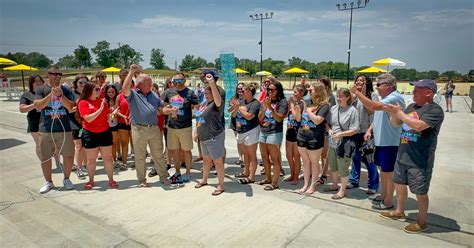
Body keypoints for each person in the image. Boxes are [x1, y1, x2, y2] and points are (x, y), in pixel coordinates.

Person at [380, 79, 444, 234]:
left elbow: (419, 126)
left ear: (428, 92)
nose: (413, 92)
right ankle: (399, 211)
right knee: (400, 186)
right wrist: (395, 114)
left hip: (419, 159)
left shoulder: (434, 111)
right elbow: (396, 124)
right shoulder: (411, 107)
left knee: (420, 192)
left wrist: (400, 113)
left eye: (417, 90)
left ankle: (421, 222)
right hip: (403, 155)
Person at [351, 73, 406, 210]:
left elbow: (373, 107)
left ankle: (388, 201)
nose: (376, 88)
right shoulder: (386, 98)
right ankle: (383, 194)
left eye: (378, 85)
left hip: (390, 142)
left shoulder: (394, 98)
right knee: (383, 171)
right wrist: (370, 129)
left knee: (388, 172)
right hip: (381, 142)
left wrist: (358, 93)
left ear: (388, 86)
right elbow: (377, 116)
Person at [122, 64, 170, 187]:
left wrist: (170, 110)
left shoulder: (153, 94)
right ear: (139, 85)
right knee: (140, 156)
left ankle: (163, 176)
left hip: (153, 128)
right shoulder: (132, 94)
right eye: (148, 83)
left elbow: (160, 110)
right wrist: (131, 72)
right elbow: (124, 89)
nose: (151, 85)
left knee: (158, 154)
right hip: (138, 129)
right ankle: (141, 180)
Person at [33, 66, 76, 193]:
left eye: (59, 74)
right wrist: (51, 94)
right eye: (54, 74)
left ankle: (67, 179)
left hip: (64, 128)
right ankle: (48, 181)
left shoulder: (66, 90)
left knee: (68, 154)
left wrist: (61, 96)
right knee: (45, 156)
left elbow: (70, 107)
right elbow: (38, 105)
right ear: (48, 75)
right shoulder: (41, 89)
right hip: (46, 129)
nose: (57, 76)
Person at [77, 82, 118, 190]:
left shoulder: (103, 102)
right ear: (89, 90)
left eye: (99, 89)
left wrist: (112, 115)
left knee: (108, 157)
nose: (99, 91)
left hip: (104, 131)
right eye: (96, 89)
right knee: (91, 159)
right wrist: (100, 109)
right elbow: (88, 118)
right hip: (90, 133)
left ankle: (111, 179)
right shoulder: (83, 102)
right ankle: (91, 180)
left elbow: (107, 117)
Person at [162, 73, 199, 186]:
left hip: (185, 126)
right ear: (173, 81)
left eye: (180, 80)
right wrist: (169, 109)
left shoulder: (190, 93)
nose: (178, 82)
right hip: (172, 126)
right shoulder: (168, 92)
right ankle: (177, 172)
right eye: (176, 80)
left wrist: (199, 125)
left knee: (186, 150)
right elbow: (162, 108)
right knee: (174, 150)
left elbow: (198, 108)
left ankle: (188, 172)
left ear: (184, 80)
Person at [194, 73, 226, 196]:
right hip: (204, 137)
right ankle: (204, 179)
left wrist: (212, 83)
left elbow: (218, 99)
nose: (206, 95)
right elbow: (199, 118)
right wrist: (196, 131)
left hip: (214, 137)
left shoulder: (216, 104)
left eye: (208, 94)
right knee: (206, 160)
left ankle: (221, 185)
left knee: (217, 162)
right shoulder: (204, 104)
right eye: (205, 94)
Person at [324, 88, 359, 200]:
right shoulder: (333, 108)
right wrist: (329, 130)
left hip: (345, 144)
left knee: (343, 168)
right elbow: (327, 123)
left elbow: (355, 129)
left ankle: (342, 190)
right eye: (337, 96)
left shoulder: (352, 111)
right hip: (333, 142)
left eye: (341, 96)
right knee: (333, 166)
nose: (338, 98)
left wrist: (341, 134)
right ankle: (335, 185)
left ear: (348, 97)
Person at [347, 75, 379, 195]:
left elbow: (372, 111)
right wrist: (354, 96)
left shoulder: (373, 95)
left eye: (362, 80)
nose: (359, 82)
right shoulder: (353, 96)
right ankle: (354, 180)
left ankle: (373, 185)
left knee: (369, 160)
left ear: (367, 83)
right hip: (355, 131)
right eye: (357, 80)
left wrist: (363, 95)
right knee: (355, 158)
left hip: (367, 131)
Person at [295, 82, 330, 194]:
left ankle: (313, 185)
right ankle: (305, 184)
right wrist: (296, 110)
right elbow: (298, 119)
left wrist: (308, 111)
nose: (309, 92)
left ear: (318, 92)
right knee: (305, 161)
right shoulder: (307, 102)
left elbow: (317, 120)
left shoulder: (324, 105)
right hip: (301, 135)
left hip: (314, 138)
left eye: (311, 90)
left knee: (314, 162)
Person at [257, 79, 288, 191]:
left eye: (271, 90)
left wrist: (270, 107)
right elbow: (260, 118)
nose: (269, 91)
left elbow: (279, 118)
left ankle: (275, 183)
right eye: (268, 89)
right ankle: (268, 178)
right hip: (264, 131)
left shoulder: (283, 102)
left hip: (274, 132)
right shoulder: (266, 100)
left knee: (275, 159)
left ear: (278, 91)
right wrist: (264, 108)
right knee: (264, 157)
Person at [232, 83, 261, 185]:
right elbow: (232, 114)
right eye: (240, 90)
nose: (241, 92)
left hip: (251, 130)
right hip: (241, 130)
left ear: (249, 92)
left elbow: (249, 116)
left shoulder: (255, 104)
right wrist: (235, 108)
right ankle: (246, 171)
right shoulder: (241, 101)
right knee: (245, 154)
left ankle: (252, 177)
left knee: (252, 154)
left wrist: (238, 107)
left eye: (243, 91)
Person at [284, 84, 307, 185]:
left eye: (295, 92)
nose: (293, 94)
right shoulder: (294, 104)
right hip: (289, 131)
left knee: (296, 157)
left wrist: (292, 106)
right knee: (289, 155)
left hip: (297, 133)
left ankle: (296, 177)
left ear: (301, 94)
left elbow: (297, 118)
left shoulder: (301, 104)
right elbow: (286, 116)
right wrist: (289, 106)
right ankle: (292, 174)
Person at [19, 75, 45, 160]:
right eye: (36, 81)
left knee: (54, 144)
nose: (39, 83)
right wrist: (34, 105)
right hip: (35, 122)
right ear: (31, 83)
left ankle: (57, 162)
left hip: (48, 122)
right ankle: (44, 162)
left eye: (40, 81)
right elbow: (22, 109)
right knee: (40, 145)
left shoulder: (46, 93)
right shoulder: (27, 94)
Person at [317, 77, 336, 185]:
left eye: (320, 84)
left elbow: (330, 114)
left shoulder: (331, 98)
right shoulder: (318, 97)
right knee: (319, 153)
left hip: (326, 127)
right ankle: (320, 172)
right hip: (318, 127)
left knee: (325, 154)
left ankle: (324, 174)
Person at [70, 75, 88, 178]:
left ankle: (85, 165)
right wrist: (79, 106)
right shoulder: (72, 95)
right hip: (75, 124)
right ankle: (78, 168)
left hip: (86, 123)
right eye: (80, 82)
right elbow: (69, 109)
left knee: (85, 146)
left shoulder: (88, 94)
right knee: (78, 146)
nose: (83, 84)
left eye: (85, 82)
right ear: (76, 84)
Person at [229, 82, 245, 167]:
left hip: (245, 122)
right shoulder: (233, 98)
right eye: (238, 89)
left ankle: (245, 158)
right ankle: (241, 158)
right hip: (235, 122)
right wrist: (235, 107)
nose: (240, 90)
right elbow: (229, 111)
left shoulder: (248, 98)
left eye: (242, 88)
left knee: (245, 142)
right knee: (239, 140)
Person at [104, 84, 120, 167]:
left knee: (114, 143)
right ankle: (110, 160)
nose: (110, 93)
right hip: (106, 125)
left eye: (112, 92)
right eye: (109, 92)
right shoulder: (104, 101)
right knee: (108, 145)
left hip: (116, 124)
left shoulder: (118, 100)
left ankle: (114, 159)